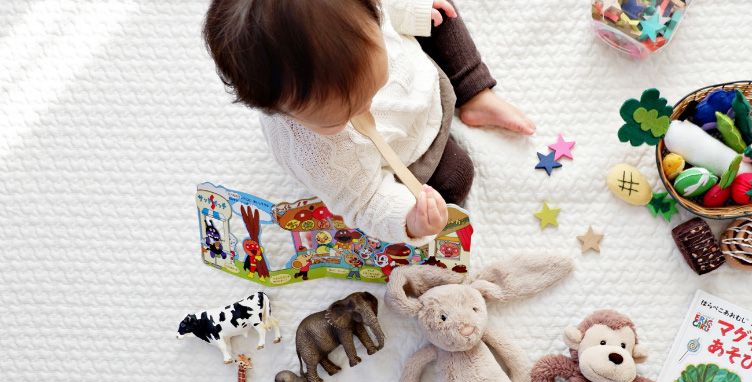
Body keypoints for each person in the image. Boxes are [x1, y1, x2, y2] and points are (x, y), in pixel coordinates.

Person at [203, 0, 533, 245]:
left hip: (424, 80)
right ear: (280, 111)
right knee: (456, 178)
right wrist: (410, 221)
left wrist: (412, 12)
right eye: (341, 116)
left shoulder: (357, 12)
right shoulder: (317, 157)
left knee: (440, 15)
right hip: (406, 151)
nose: (367, 108)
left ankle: (474, 93)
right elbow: (365, 202)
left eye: (373, 88)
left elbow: (389, 7)